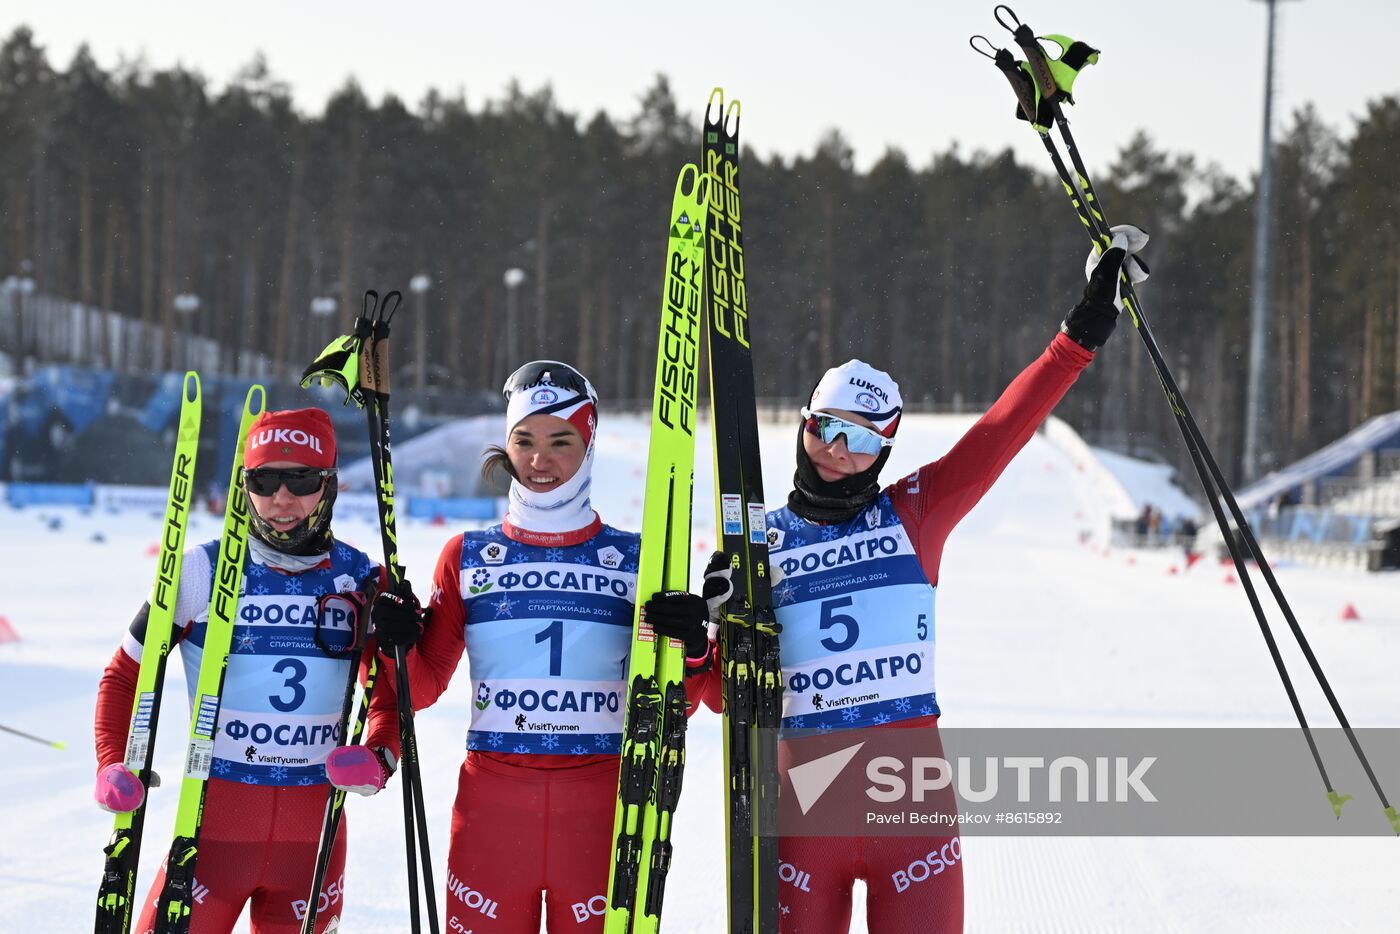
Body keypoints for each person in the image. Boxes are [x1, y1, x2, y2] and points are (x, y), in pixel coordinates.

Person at [758, 235, 1147, 933]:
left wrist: (1080, 334)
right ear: (803, 425)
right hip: (801, 808)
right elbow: (718, 691)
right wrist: (697, 638)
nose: (838, 453)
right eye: (824, 430)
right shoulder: (761, 542)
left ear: (887, 448)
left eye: (862, 440)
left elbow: (1002, 430)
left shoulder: (916, 510)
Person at [325, 361, 725, 934]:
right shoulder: (468, 555)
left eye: (561, 441)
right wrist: (395, 643)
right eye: (525, 441)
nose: (540, 460)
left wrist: (689, 648)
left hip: (603, 802)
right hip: (493, 805)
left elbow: (681, 703)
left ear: (589, 445)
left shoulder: (639, 559)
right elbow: (426, 684)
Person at [93, 408, 382, 933]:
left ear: (330, 484)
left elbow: (391, 688)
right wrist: (114, 761)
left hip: (313, 842)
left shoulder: (359, 577)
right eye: (264, 480)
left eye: (302, 479)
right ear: (243, 484)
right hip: (211, 835)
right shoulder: (201, 571)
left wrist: (381, 749)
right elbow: (124, 675)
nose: (282, 499)